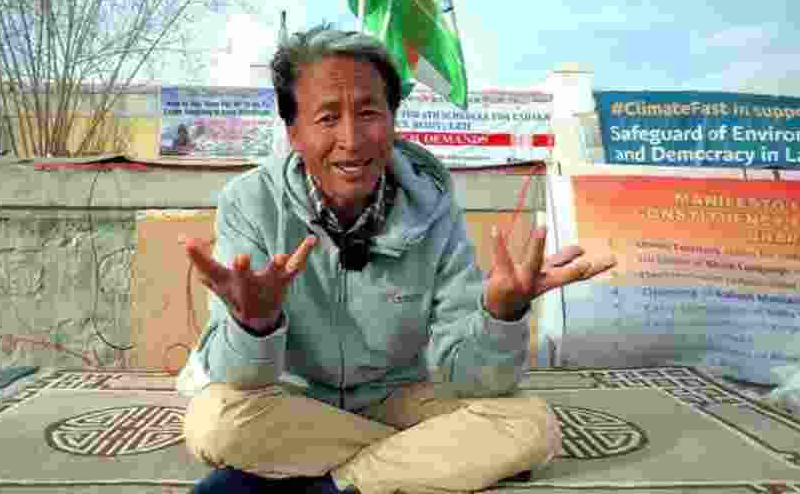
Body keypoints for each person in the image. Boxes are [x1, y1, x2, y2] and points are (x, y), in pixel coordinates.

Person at [178, 24, 616, 494]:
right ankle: (416, 461)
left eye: (369, 112)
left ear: (392, 119)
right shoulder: (250, 203)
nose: (352, 138)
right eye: (327, 118)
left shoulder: (432, 207)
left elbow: (471, 378)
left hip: (397, 396)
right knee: (215, 422)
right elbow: (239, 377)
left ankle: (324, 483)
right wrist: (255, 326)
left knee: (531, 426)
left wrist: (500, 315)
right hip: (293, 400)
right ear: (294, 133)